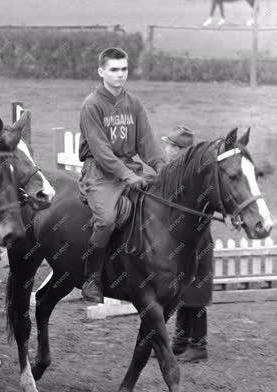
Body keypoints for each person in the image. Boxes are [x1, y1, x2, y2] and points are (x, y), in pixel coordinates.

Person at [78, 47, 166, 303]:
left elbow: (147, 141)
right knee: (105, 220)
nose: (120, 75)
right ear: (101, 71)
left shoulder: (133, 103)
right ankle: (91, 278)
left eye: (124, 69)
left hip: (130, 168)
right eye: (114, 70)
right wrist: (127, 176)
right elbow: (101, 151)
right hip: (100, 172)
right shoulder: (91, 105)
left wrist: (162, 167)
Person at [162, 125, 212, 363]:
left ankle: (198, 345)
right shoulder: (177, 170)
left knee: (196, 295)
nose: (166, 150)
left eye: (169, 146)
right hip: (184, 240)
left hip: (198, 241)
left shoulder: (194, 174)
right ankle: (180, 343)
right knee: (184, 294)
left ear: (179, 149)